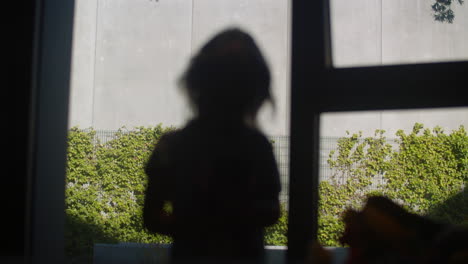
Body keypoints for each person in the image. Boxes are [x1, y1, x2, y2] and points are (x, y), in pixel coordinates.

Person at [143, 28, 281, 264]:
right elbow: (272, 211)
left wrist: (194, 223)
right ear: (257, 90)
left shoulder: (172, 146)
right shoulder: (257, 146)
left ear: (197, 83)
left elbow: (152, 216)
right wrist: (233, 218)